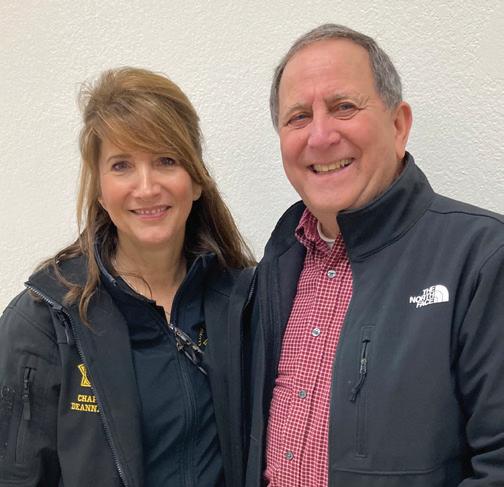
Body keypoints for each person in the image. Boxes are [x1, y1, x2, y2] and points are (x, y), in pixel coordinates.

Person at [246, 24, 504, 487]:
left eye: (343, 107)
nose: (320, 136)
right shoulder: (279, 262)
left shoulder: (482, 258)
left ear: (398, 124)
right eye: (298, 117)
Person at [0, 67, 255, 487]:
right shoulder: (45, 320)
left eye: (166, 161)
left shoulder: (243, 303)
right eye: (122, 165)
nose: (147, 187)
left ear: (196, 181)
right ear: (100, 190)